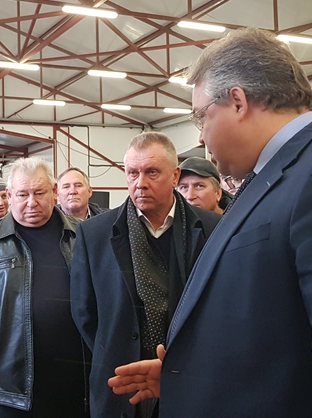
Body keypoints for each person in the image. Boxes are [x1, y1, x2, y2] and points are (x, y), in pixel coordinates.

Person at [108, 28, 312, 416]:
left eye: (201, 117)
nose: (202, 137)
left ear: (237, 102)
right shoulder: (277, 178)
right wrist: (193, 376)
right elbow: (281, 338)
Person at [71, 132, 220, 418]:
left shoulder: (213, 228)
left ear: (175, 176)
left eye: (152, 172)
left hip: (191, 380)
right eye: (132, 173)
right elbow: (84, 313)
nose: (140, 183)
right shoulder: (94, 234)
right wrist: (116, 350)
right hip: (121, 381)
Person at [0, 157, 88, 417]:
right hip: (12, 388)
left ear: (54, 192)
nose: (31, 202)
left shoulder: (84, 235)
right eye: (23, 194)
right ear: (10, 195)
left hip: (78, 383)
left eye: (39, 193)